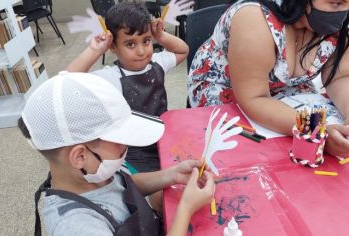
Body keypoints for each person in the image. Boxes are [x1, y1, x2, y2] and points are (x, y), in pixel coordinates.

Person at [18, 71, 214, 236]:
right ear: (80, 156)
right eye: (120, 140)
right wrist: (186, 208)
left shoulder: (91, 171)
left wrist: (172, 174)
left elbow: (121, 187)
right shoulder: (79, 227)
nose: (126, 145)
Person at [187, 0, 349, 157]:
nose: (343, 12)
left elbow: (338, 77)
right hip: (230, 92)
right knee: (261, 158)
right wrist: (316, 131)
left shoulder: (331, 23)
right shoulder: (254, 18)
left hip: (285, 89)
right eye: (336, 3)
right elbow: (254, 98)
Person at [67, 1, 189, 172]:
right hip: (133, 150)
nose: (141, 51)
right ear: (113, 46)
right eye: (130, 44)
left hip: (162, 137)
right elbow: (68, 81)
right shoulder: (111, 77)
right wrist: (95, 50)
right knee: (158, 189)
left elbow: (182, 51)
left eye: (146, 41)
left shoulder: (157, 62)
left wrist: (160, 36)